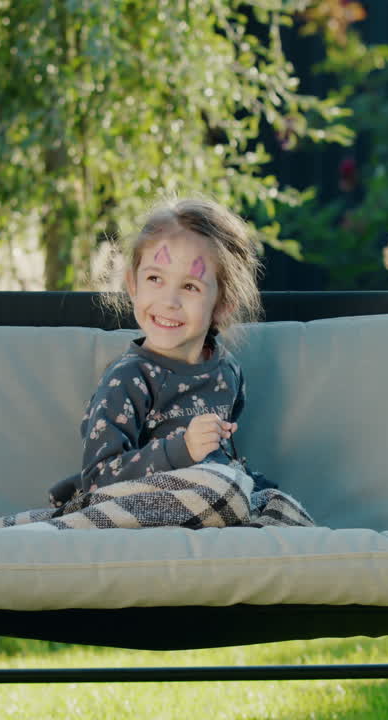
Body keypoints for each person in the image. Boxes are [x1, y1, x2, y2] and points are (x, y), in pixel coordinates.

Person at [47, 197, 276, 509]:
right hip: (135, 508)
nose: (169, 301)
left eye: (190, 287)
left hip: (206, 504)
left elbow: (222, 456)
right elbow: (99, 478)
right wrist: (183, 449)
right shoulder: (127, 379)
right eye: (155, 279)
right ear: (133, 284)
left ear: (222, 305)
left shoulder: (227, 372)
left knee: (271, 500)